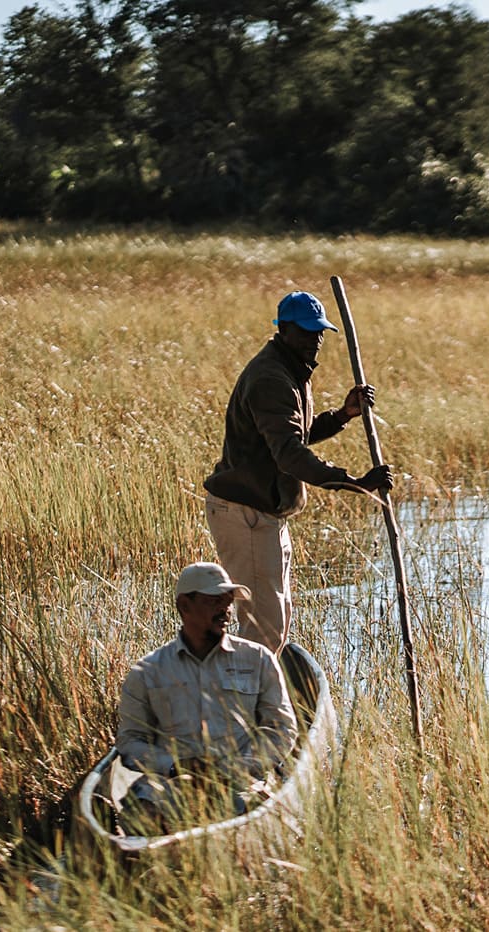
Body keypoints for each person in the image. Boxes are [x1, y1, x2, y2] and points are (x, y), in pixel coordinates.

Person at [204, 291, 394, 652]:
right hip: (244, 514)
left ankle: (255, 698)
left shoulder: (291, 370)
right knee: (264, 629)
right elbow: (289, 455)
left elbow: (295, 434)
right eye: (307, 333)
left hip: (266, 513)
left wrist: (342, 415)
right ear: (285, 330)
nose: (315, 341)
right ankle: (242, 703)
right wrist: (355, 483)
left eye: (320, 333)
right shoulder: (272, 378)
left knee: (277, 621)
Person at [114, 561, 299, 825]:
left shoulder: (257, 659)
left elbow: (282, 729)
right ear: (184, 606)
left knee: (249, 817)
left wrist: (240, 768)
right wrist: (176, 766)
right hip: (171, 785)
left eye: (228, 601)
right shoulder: (147, 672)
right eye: (214, 601)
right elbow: (130, 743)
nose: (225, 610)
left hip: (242, 783)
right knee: (141, 818)